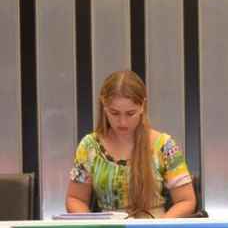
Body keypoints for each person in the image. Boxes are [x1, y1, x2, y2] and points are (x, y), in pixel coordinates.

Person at [66, 70, 196, 218]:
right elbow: (75, 198)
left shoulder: (164, 146)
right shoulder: (89, 147)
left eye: (130, 113)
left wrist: (160, 226)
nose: (122, 122)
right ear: (104, 106)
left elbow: (186, 200)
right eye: (114, 113)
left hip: (154, 226)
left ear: (142, 106)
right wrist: (92, 225)